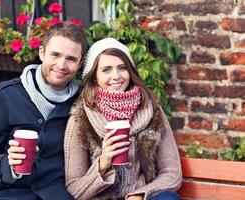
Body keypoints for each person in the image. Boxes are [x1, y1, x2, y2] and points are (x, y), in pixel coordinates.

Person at [0, 22, 88, 200]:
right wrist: (8, 164)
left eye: (71, 59)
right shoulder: (6, 95)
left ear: (80, 63)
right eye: (55, 55)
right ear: (41, 52)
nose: (61, 64)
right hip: (10, 193)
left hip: (57, 194)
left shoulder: (83, 101)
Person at [64, 38, 182, 200]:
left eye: (122, 68)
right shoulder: (80, 118)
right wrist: (103, 163)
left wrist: (141, 194)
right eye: (106, 70)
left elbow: (172, 173)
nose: (116, 76)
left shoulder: (152, 109)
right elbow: (74, 189)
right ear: (94, 77)